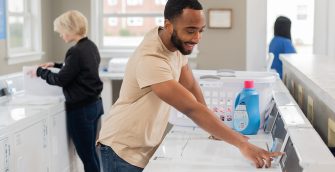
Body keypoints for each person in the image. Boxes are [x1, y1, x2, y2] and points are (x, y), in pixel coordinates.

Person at [97, 0, 282, 171]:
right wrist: (242, 144)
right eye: (191, 30)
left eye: (201, 30)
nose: (197, 38)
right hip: (121, 149)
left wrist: (214, 127)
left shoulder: (174, 44)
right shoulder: (151, 60)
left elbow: (191, 84)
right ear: (168, 25)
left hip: (142, 146)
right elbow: (190, 108)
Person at [29, 10, 103, 172]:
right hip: (95, 105)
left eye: (62, 31)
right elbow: (79, 69)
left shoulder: (75, 51)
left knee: (86, 155)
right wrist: (55, 65)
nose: (61, 35)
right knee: (92, 152)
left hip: (81, 110)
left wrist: (39, 72)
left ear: (70, 29)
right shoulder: (90, 46)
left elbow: (61, 79)